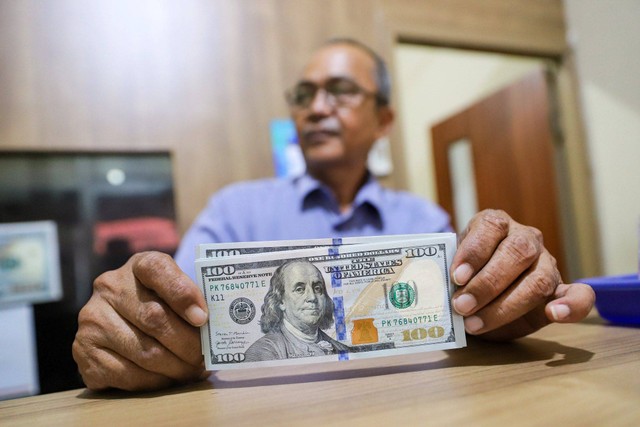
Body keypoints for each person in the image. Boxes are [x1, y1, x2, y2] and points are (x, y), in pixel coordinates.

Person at [72, 38, 595, 391]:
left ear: (384, 119)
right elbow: (173, 320)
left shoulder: (424, 220)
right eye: (304, 94)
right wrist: (135, 325)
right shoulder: (234, 210)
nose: (316, 107)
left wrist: (503, 302)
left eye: (341, 91)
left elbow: (466, 326)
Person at [244, 259, 349, 361]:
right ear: (281, 301)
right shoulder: (262, 353)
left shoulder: (343, 350)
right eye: (299, 289)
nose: (312, 297)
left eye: (317, 288)